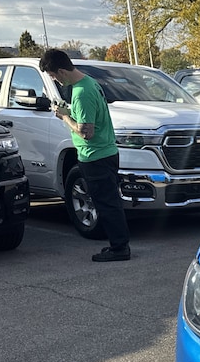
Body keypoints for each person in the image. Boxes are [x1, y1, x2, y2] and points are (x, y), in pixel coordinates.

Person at [39, 49, 131, 262]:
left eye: (53, 76)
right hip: (107, 152)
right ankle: (118, 244)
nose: (55, 80)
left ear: (61, 71)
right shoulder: (90, 82)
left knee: (106, 204)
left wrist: (64, 117)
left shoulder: (81, 93)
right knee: (111, 201)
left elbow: (86, 132)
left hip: (95, 155)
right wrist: (71, 113)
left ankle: (119, 248)